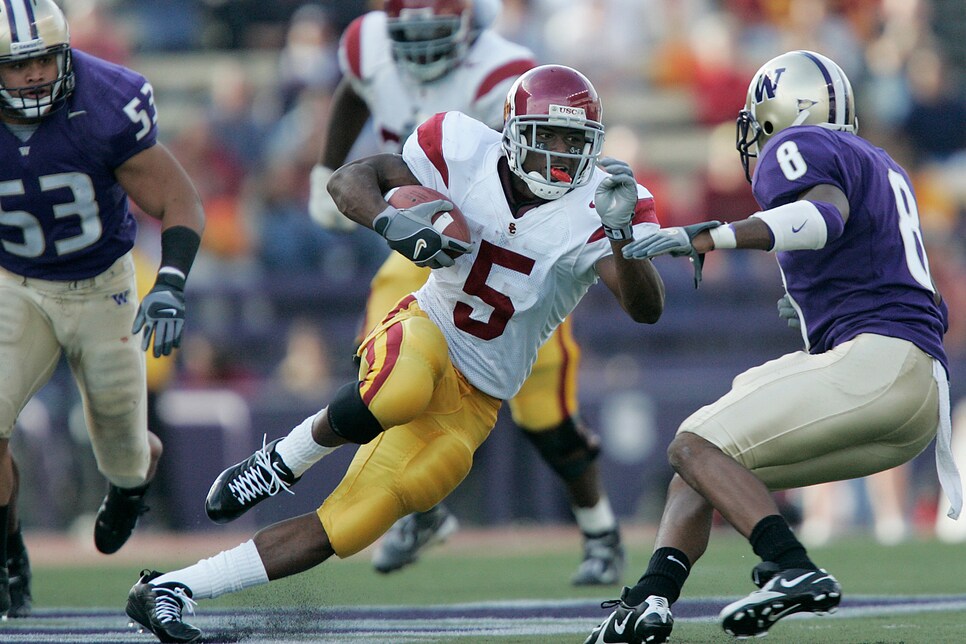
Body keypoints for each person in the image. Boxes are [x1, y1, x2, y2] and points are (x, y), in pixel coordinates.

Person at [124, 64, 666, 643]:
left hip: (480, 397)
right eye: (547, 136)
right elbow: (353, 180)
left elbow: (646, 308)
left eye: (573, 141)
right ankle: (283, 460)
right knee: (401, 388)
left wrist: (621, 235)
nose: (560, 155)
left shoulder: (599, 204)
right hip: (425, 326)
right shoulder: (460, 147)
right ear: (511, 130)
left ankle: (169, 589)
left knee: (353, 524)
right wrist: (391, 222)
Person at [584, 49, 963, 644]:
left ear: (785, 110)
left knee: (693, 444)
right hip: (913, 388)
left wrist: (712, 235)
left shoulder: (803, 147)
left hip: (878, 363)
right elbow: (917, 293)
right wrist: (826, 310)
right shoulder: (881, 162)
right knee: (707, 458)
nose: (752, 136)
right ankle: (650, 598)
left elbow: (823, 216)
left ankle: (791, 567)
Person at [309, 0, 627, 586]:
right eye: (410, 36)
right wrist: (328, 165)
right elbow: (356, 88)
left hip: (517, 256)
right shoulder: (367, 45)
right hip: (427, 245)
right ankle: (419, 509)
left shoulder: (507, 72)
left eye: (436, 34)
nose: (422, 50)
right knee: (381, 371)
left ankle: (600, 528)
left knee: (547, 416)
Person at [0, 0, 205, 617]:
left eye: (43, 59)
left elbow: (179, 197)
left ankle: (134, 475)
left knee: (119, 446)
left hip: (101, 284)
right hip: (14, 282)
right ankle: (9, 553)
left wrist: (168, 282)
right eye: (18, 64)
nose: (34, 74)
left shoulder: (105, 102)